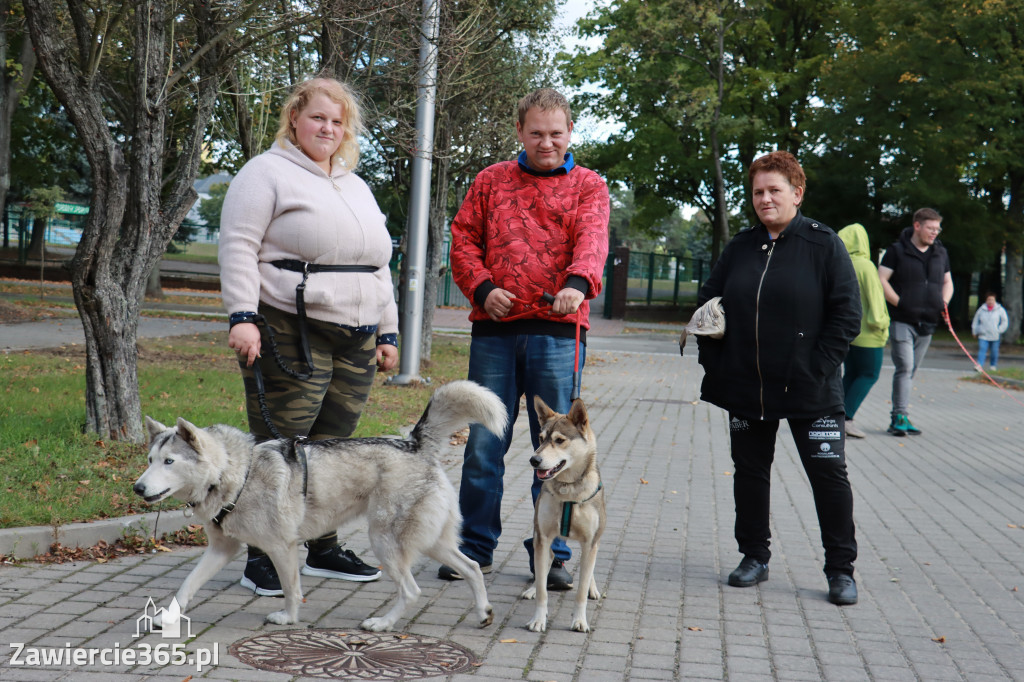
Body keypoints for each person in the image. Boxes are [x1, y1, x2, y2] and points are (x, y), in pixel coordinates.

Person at [218, 77, 399, 596]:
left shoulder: (354, 184)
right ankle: (262, 556)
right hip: (288, 327)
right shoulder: (265, 172)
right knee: (282, 447)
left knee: (332, 450)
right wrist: (242, 317)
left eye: (338, 121)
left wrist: (387, 330)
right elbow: (237, 246)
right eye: (319, 117)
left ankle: (321, 547)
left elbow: (378, 264)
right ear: (295, 117)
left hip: (358, 337)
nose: (328, 128)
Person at [441, 88, 610, 590]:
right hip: (494, 330)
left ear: (570, 132)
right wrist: (482, 287)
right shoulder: (490, 181)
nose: (546, 142)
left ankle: (554, 551)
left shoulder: (588, 185)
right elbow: (463, 237)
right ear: (519, 131)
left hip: (557, 333)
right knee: (483, 444)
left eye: (556, 133)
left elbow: (593, 239)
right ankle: (473, 548)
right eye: (536, 133)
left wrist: (577, 285)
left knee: (560, 449)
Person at [695, 150, 861, 606]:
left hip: (812, 390)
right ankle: (754, 556)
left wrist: (816, 368)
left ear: (797, 192)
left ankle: (840, 570)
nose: (765, 199)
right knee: (750, 474)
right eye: (757, 192)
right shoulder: (741, 247)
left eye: (774, 190)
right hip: (747, 388)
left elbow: (847, 315)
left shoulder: (823, 244)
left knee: (829, 476)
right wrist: (717, 363)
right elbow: (708, 305)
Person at [878, 208, 953, 436]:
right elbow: (880, 279)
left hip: (928, 322)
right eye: (931, 228)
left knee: (912, 370)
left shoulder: (941, 252)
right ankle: (899, 417)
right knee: (905, 367)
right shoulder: (896, 251)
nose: (935, 233)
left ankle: (900, 416)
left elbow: (948, 282)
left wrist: (944, 303)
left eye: (937, 229)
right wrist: (899, 303)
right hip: (902, 320)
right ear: (917, 226)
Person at [838, 223, 890, 439]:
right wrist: (881, 324)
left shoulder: (840, 263)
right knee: (869, 374)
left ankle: (832, 415)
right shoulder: (866, 266)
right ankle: (846, 418)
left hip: (846, 332)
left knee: (850, 374)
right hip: (869, 333)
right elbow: (875, 299)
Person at [972, 293, 1009, 371]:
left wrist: (999, 330)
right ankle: (979, 365)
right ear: (986, 300)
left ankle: (993, 365)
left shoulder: (1000, 310)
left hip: (994, 335)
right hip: (983, 334)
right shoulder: (981, 309)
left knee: (994, 351)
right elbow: (975, 321)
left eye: (992, 300)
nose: (990, 301)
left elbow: (1005, 321)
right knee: (982, 349)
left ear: (995, 300)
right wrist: (974, 331)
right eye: (989, 299)